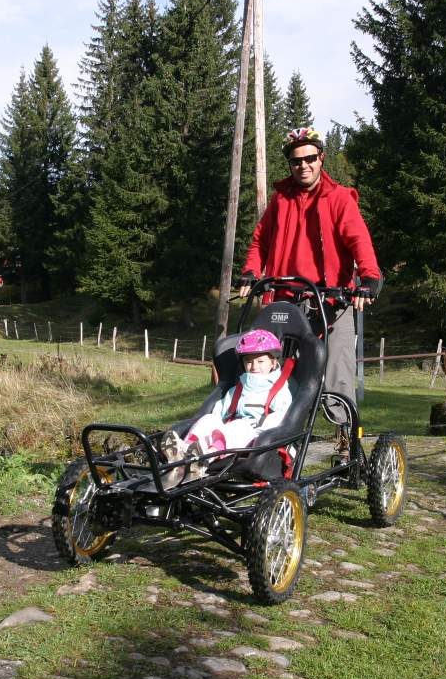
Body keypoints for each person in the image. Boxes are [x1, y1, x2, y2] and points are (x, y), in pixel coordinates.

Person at [239, 127, 383, 457]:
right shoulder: (281, 199)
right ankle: (272, 441)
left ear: (321, 158)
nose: (303, 166)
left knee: (336, 377)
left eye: (310, 158)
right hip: (285, 301)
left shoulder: (339, 198)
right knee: (274, 371)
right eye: (295, 161)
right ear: (289, 164)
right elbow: (260, 241)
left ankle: (347, 442)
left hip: (332, 300)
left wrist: (370, 278)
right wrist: (251, 271)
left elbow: (359, 240)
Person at [159, 329, 292, 485]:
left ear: (274, 362)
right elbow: (220, 411)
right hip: (229, 431)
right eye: (248, 361)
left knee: (238, 427)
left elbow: (280, 418)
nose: (254, 366)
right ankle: (184, 450)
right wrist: (215, 424)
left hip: (257, 437)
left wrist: (256, 429)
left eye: (260, 361)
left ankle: (204, 458)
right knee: (209, 419)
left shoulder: (279, 390)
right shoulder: (239, 388)